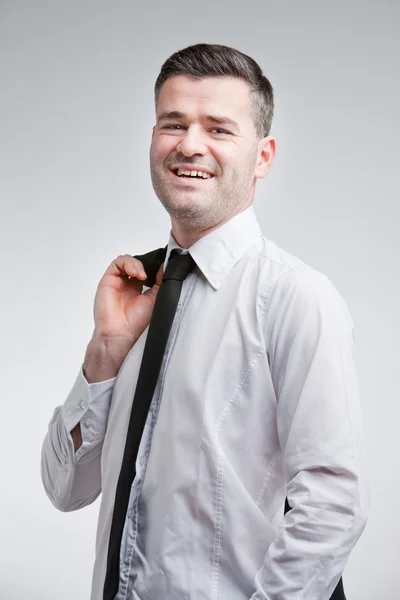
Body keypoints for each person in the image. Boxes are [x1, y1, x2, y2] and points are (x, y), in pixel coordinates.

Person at [41, 43, 369, 600]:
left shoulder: (294, 298)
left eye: (219, 128)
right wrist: (106, 350)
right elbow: (65, 488)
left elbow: (333, 509)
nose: (189, 144)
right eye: (173, 123)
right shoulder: (137, 298)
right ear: (152, 139)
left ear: (262, 156)